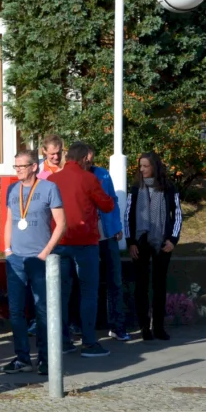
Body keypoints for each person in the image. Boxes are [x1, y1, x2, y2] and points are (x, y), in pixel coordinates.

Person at [0, 151, 66, 375]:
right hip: (16, 259)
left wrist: (46, 252)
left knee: (42, 310)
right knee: (16, 310)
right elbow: (10, 220)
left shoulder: (49, 189)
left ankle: (47, 359)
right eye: (15, 166)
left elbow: (61, 223)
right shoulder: (12, 189)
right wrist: (8, 250)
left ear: (34, 167)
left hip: (39, 258)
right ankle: (22, 358)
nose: (18, 169)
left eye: (22, 166)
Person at [49, 141, 115, 358]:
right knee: (88, 293)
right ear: (86, 157)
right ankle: (88, 342)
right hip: (85, 243)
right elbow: (107, 205)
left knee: (61, 294)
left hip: (59, 243)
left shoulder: (53, 179)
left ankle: (62, 341)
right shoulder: (89, 178)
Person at [126, 152, 182, 341]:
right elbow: (128, 216)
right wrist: (131, 242)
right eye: (140, 166)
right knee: (141, 286)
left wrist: (172, 240)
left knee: (159, 285)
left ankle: (158, 326)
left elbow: (178, 215)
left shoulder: (168, 188)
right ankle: (144, 327)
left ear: (155, 167)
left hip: (162, 242)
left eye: (145, 166)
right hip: (140, 242)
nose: (141, 170)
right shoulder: (135, 188)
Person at [84, 146, 129, 342]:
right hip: (87, 239)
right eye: (86, 159)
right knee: (87, 284)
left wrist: (117, 226)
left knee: (115, 281)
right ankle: (86, 329)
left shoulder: (102, 174)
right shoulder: (75, 177)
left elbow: (113, 200)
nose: (90, 162)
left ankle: (117, 326)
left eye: (92, 159)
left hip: (107, 235)